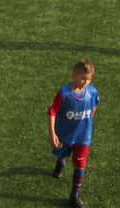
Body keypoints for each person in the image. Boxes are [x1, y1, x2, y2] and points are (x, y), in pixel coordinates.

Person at [48, 58, 99, 208]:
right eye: (82, 78)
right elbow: (52, 112)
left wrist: (87, 122)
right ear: (73, 75)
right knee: (62, 153)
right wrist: (52, 134)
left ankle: (74, 196)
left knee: (80, 164)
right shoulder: (64, 93)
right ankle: (61, 161)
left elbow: (94, 105)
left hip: (83, 136)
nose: (85, 82)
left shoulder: (93, 92)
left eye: (88, 79)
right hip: (64, 134)